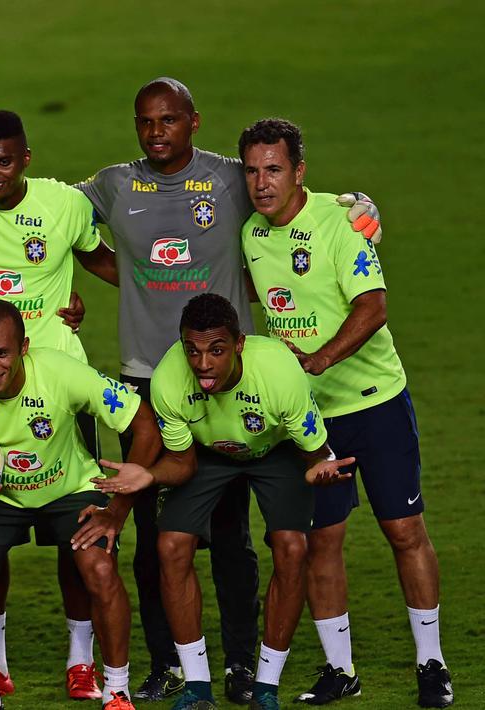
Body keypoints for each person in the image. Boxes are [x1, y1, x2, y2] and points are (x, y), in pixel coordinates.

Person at [73, 77, 384, 703]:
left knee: (231, 533)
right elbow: (53, 212)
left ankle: (241, 663)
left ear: (193, 120)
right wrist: (130, 277)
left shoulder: (227, 180)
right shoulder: (113, 184)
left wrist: (350, 202)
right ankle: (165, 663)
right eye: (145, 122)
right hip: (147, 375)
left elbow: (289, 198)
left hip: (229, 375)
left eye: (168, 120)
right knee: (154, 532)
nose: (155, 131)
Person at [239, 118, 451, 708]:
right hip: (309, 421)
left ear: (299, 171)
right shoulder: (251, 235)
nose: (263, 182)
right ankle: (340, 670)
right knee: (322, 541)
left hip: (375, 402)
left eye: (275, 169)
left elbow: (373, 307)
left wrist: (317, 360)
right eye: (253, 171)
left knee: (403, 530)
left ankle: (431, 663)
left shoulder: (343, 220)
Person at [96, 293, 355, 709]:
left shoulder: (279, 373)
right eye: (192, 350)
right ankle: (198, 687)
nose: (202, 364)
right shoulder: (167, 380)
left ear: (239, 344)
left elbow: (314, 452)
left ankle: (266, 687)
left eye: (216, 350)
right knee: (170, 544)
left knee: (292, 547)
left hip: (277, 451)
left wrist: (317, 471)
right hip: (210, 454)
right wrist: (149, 473)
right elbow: (181, 462)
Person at [0, 109, 117, 700]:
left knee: (78, 529)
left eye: (4, 161)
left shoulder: (65, 204)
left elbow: (99, 257)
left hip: (62, 389)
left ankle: (80, 658)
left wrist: (167, 288)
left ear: (26, 159)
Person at [0, 300, 162, 710]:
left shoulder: (61, 372)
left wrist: (117, 509)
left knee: (99, 568)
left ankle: (117, 689)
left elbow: (143, 423)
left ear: (23, 347)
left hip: (68, 490)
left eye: (1, 353)